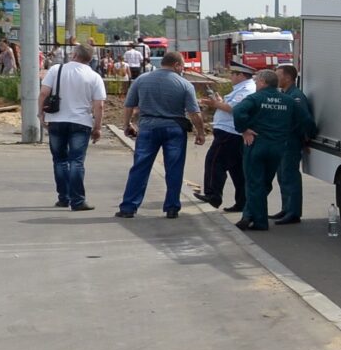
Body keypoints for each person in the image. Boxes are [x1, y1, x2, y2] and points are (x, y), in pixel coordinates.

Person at [116, 49, 206, 219]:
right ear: (177, 64)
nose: (183, 70)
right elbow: (194, 113)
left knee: (140, 168)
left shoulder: (141, 79)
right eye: (183, 66)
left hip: (148, 128)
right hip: (174, 130)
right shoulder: (184, 84)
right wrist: (200, 132)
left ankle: (128, 207)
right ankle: (172, 207)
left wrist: (126, 125)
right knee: (174, 169)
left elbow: (129, 105)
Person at [228, 69, 305, 232]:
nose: (255, 84)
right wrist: (307, 137)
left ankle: (259, 221)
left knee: (254, 184)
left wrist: (244, 130)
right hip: (277, 148)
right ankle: (249, 215)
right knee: (264, 184)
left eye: (257, 82)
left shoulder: (255, 98)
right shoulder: (288, 100)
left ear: (263, 82)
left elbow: (238, 111)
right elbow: (305, 120)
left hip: (256, 145)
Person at [42, 45, 108, 210]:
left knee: (59, 160)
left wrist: (40, 114)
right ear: (90, 59)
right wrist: (97, 128)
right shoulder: (94, 76)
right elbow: (99, 105)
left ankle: (63, 198)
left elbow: (43, 93)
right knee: (76, 162)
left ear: (74, 55)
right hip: (81, 122)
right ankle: (77, 201)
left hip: (56, 120)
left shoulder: (56, 69)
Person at [196, 64, 255, 212]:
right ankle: (242, 202)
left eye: (233, 74)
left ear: (241, 75)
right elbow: (230, 105)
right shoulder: (242, 89)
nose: (230, 77)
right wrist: (219, 101)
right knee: (237, 169)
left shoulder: (247, 89)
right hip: (231, 132)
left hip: (229, 133)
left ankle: (213, 195)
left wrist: (215, 103)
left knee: (214, 162)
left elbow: (235, 109)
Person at [273, 63, 317, 207]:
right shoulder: (286, 94)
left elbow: (306, 120)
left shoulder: (296, 97)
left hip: (291, 142)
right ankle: (286, 208)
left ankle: (293, 212)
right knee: (282, 177)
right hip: (282, 142)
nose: (276, 78)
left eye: (278, 75)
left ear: (288, 77)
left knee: (289, 177)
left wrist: (307, 138)